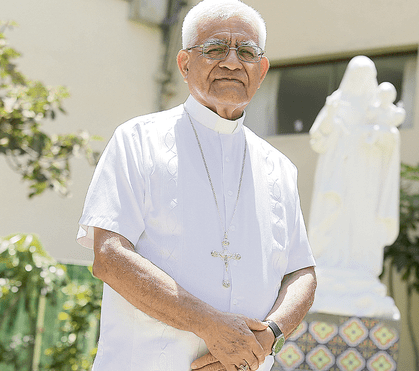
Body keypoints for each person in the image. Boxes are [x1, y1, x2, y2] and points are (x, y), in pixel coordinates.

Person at [76, 1, 317, 370]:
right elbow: (109, 256)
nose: (233, 63)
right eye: (216, 49)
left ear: (262, 69)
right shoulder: (138, 140)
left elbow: (302, 272)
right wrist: (211, 327)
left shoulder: (279, 167)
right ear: (185, 64)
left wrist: (268, 337)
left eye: (247, 52)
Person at [308, 56, 402, 319]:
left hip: (366, 178)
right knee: (333, 218)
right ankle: (330, 263)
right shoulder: (337, 102)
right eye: (356, 74)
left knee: (362, 221)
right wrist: (332, 118)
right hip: (338, 174)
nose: (361, 81)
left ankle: (360, 267)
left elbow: (390, 138)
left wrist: (376, 136)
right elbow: (318, 138)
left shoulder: (378, 107)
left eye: (366, 74)